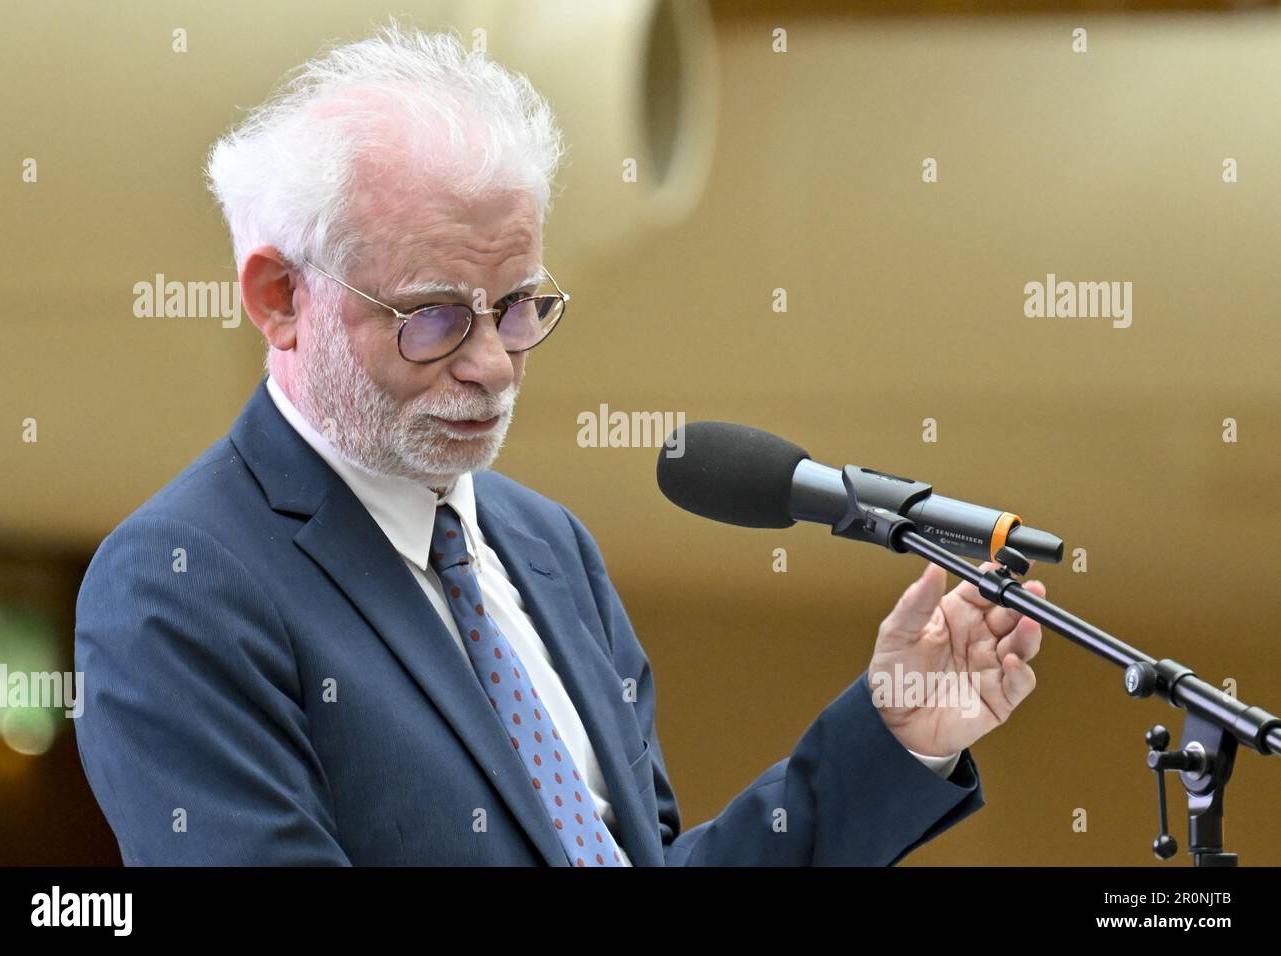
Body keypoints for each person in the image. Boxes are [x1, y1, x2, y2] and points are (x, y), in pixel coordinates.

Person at [74, 24, 1045, 866]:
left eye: (519, 306)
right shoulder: (179, 580)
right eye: (434, 317)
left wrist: (893, 733)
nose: (494, 365)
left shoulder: (548, 546)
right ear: (280, 297)